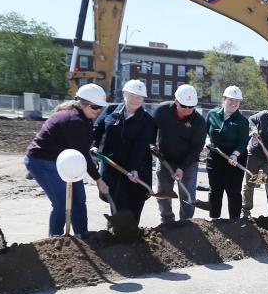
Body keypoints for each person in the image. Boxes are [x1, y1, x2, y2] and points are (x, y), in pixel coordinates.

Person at [25, 84, 109, 236]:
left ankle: (82, 235)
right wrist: (98, 179)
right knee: (62, 204)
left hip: (66, 160)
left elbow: (81, 150)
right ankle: (55, 241)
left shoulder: (84, 117)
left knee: (78, 200)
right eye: (95, 107)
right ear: (83, 103)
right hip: (43, 161)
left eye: (100, 108)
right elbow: (82, 155)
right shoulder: (74, 120)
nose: (98, 111)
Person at [93, 80, 157, 223]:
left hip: (137, 167)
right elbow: (97, 130)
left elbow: (141, 146)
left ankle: (131, 233)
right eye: (132, 95)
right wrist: (94, 145)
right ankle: (115, 230)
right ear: (124, 95)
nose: (135, 100)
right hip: (112, 165)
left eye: (139, 97)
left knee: (135, 200)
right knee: (115, 198)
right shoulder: (111, 110)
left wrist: (134, 168)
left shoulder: (147, 121)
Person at [153, 84, 206, 224]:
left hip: (188, 163)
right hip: (164, 159)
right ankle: (167, 220)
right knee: (163, 193)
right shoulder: (162, 111)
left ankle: (186, 222)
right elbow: (150, 129)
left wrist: (182, 168)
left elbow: (196, 148)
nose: (188, 110)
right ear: (176, 101)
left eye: (192, 106)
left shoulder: (199, 121)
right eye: (184, 106)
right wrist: (152, 144)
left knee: (187, 194)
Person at [205, 86, 249, 219]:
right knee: (215, 190)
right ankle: (215, 219)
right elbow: (207, 131)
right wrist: (207, 140)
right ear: (224, 100)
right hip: (215, 155)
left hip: (235, 158)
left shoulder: (242, 121)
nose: (234, 103)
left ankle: (234, 221)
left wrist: (235, 154)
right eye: (231, 100)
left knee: (233, 191)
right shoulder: (212, 114)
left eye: (237, 101)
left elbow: (243, 142)